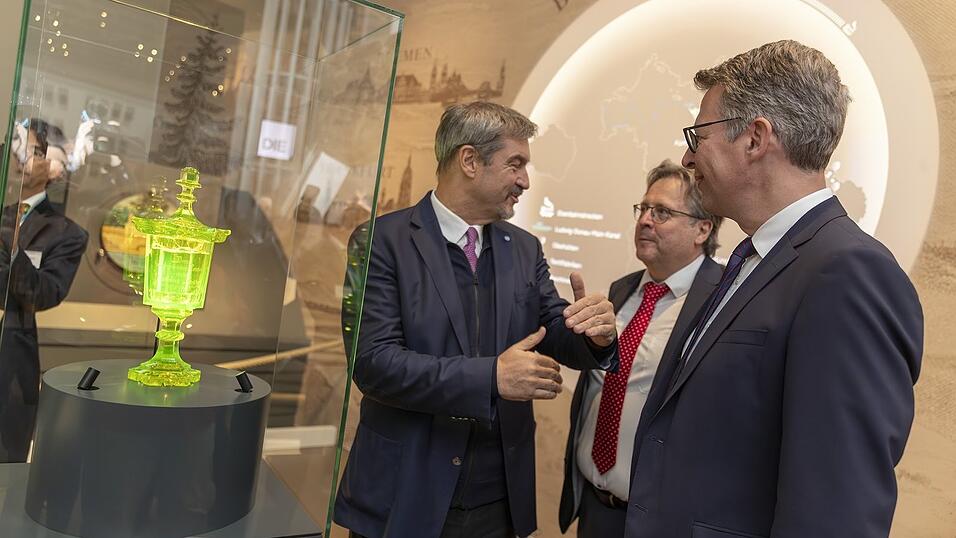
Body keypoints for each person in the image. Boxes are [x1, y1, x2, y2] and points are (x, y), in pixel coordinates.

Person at [623, 40, 923, 538]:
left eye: (699, 134)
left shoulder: (849, 273)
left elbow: (835, 511)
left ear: (756, 138)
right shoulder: (750, 258)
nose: (687, 154)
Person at [334, 101, 619, 538]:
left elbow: (553, 332)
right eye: (515, 164)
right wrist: (490, 378)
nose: (525, 180)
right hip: (406, 492)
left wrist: (592, 335)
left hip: (497, 499)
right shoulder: (381, 242)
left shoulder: (524, 248)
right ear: (469, 160)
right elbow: (373, 364)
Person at [559, 159, 722, 536]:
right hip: (594, 508)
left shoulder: (720, 299)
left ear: (702, 229)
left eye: (662, 212)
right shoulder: (622, 290)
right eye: (643, 209)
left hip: (659, 521)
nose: (645, 220)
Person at [0, 118, 89, 462]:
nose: (21, 157)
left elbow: (41, 294)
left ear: (55, 170)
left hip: (9, 375)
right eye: (19, 147)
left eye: (34, 151)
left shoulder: (66, 234)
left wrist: (12, 243)